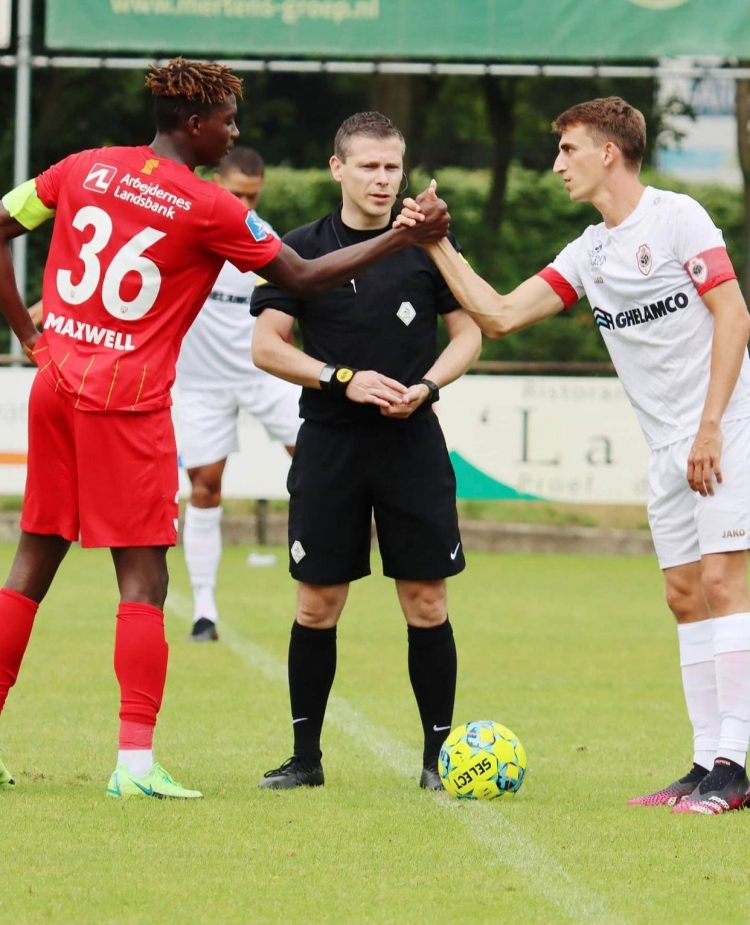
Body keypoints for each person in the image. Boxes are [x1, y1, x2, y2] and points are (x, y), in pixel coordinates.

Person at [0, 59, 449, 800]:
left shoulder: (81, 167)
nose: (235, 132)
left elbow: (4, 221)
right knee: (144, 576)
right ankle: (136, 764)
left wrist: (27, 331)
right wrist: (403, 239)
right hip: (128, 398)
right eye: (228, 119)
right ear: (193, 122)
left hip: (56, 384)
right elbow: (301, 278)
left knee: (30, 561)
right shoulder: (210, 206)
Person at [401, 96, 750, 815]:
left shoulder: (678, 217)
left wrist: (711, 425)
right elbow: (496, 316)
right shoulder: (588, 252)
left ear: (609, 154)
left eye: (568, 150)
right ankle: (702, 759)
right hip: (665, 448)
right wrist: (437, 242)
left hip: (729, 427)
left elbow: (734, 314)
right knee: (683, 595)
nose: (557, 165)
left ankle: (736, 766)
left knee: (724, 583)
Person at [250, 111, 482, 791]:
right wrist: (340, 379)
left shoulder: (428, 246)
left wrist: (429, 384)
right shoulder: (300, 248)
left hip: (412, 440)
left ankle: (436, 761)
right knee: (317, 602)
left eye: (393, 166)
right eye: (371, 166)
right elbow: (267, 345)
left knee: (426, 600)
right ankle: (305, 759)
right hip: (329, 443)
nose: (384, 179)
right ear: (338, 168)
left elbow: (469, 333)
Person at [174, 146, 301, 643]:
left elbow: (292, 303)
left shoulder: (263, 241)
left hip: (262, 374)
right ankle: (204, 611)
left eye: (252, 196)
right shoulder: (186, 233)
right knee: (204, 487)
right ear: (215, 184)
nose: (244, 206)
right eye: (235, 195)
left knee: (317, 460)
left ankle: (319, 577)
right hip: (202, 384)